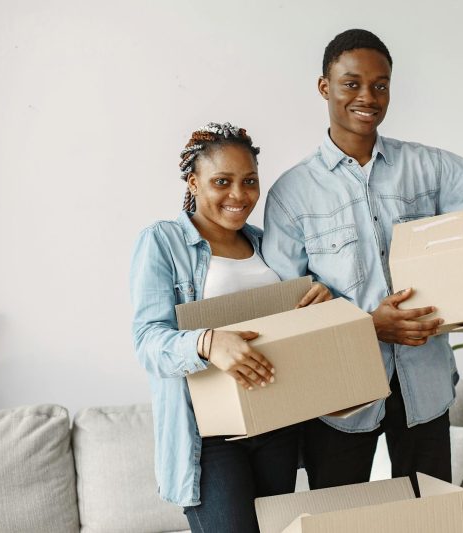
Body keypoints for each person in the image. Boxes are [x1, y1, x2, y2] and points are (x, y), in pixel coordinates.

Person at [262, 29, 463, 495]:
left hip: (425, 387)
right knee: (341, 526)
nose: (368, 97)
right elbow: (285, 308)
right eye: (351, 83)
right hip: (340, 399)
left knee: (432, 519)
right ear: (325, 87)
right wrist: (366, 325)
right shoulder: (291, 194)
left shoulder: (426, 167)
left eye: (381, 85)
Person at [130, 122, 330, 533]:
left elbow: (293, 322)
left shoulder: (268, 243)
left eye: (249, 181)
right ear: (194, 181)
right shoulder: (163, 242)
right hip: (209, 438)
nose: (239, 195)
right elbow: (148, 341)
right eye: (222, 181)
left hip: (276, 424)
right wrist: (207, 342)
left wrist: (319, 302)